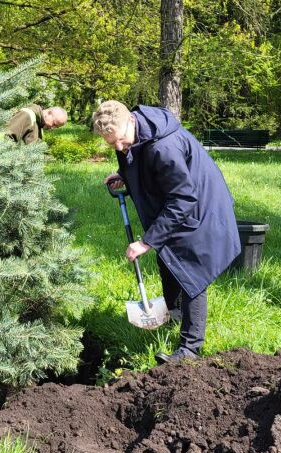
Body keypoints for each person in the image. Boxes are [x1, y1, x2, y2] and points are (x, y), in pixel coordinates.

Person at [93, 99, 240, 363]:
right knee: (168, 256)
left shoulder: (164, 147)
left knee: (192, 272)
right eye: (110, 144)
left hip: (200, 207)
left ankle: (190, 349)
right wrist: (124, 174)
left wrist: (146, 241)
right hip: (180, 201)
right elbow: (138, 158)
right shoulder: (134, 135)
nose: (118, 147)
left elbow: (183, 199)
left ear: (131, 122)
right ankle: (173, 313)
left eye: (120, 139)